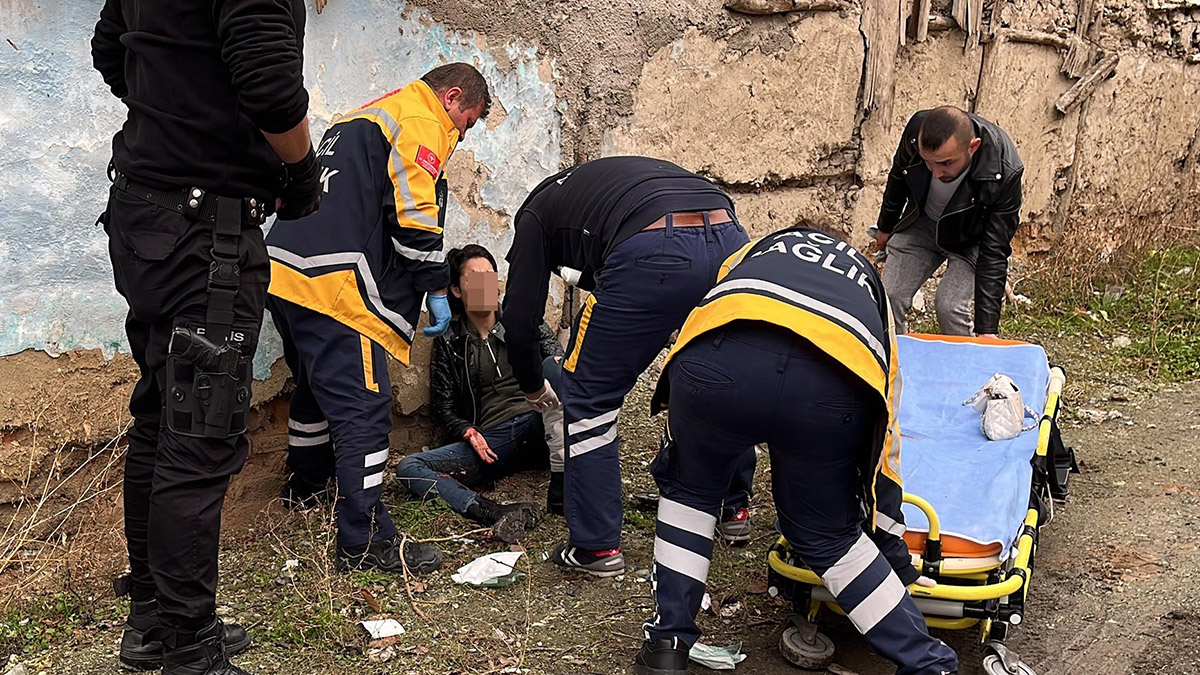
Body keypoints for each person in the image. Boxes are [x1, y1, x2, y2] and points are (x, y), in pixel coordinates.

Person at [91, 1, 321, 673]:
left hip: (146, 217)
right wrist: (302, 174)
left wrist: (174, 112)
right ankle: (189, 649)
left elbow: (112, 47)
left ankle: (155, 626)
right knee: (198, 438)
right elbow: (271, 87)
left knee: (162, 419)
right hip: (205, 235)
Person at [634, 225, 959, 675]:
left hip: (720, 361)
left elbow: (710, 304)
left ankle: (667, 644)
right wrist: (889, 544)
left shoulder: (753, 252)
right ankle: (928, 663)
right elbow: (886, 431)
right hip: (831, 379)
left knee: (690, 497)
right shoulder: (872, 288)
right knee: (829, 536)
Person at [265, 64, 491, 575]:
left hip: (284, 274)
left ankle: (307, 490)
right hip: (338, 286)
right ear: (452, 98)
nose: (458, 135)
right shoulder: (421, 118)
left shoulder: (360, 117)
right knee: (366, 410)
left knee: (316, 392)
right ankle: (363, 539)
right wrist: (434, 287)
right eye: (466, 123)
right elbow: (413, 210)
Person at [501, 156, 757, 578]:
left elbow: (519, 317)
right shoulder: (599, 189)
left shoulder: (534, 216)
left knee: (588, 393)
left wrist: (532, 386)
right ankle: (734, 508)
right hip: (730, 234)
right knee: (719, 375)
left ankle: (596, 547)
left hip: (653, 248)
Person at [396, 245, 563, 541]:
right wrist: (467, 430)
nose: (486, 284)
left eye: (490, 275)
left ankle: (568, 476)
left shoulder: (523, 320)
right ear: (457, 290)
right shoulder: (450, 340)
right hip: (495, 441)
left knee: (555, 368)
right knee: (410, 468)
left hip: (541, 423)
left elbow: (558, 365)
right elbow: (444, 406)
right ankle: (494, 512)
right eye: (475, 278)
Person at [874, 105, 1024, 338]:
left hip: (971, 237)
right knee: (889, 296)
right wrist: (885, 226)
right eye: (928, 162)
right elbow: (898, 177)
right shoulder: (917, 130)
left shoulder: (1003, 169)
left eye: (946, 163)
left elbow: (995, 249)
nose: (936, 173)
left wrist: (987, 329)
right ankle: (894, 366)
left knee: (949, 306)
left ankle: (968, 368)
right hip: (922, 225)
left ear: (972, 147)